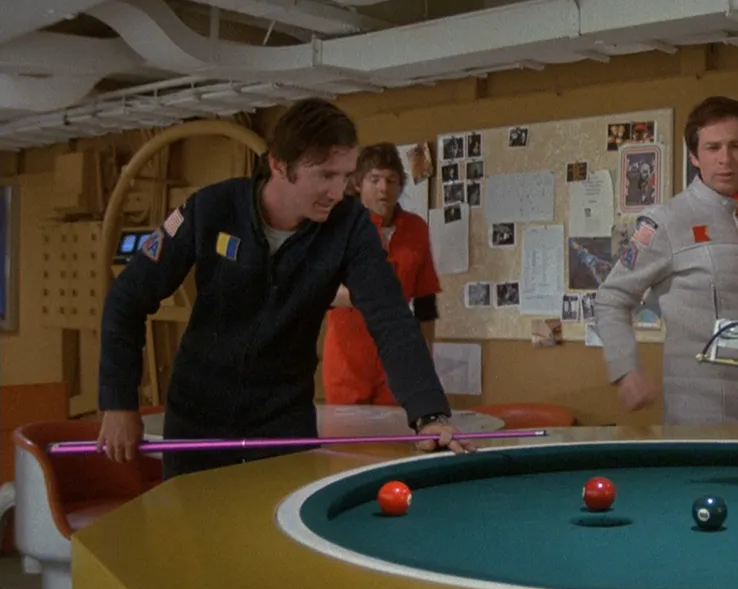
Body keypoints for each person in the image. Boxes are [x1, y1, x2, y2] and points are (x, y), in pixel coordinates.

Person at [96, 98, 474, 479]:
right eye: (325, 175)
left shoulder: (350, 227)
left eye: (345, 176)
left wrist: (429, 414)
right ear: (279, 165)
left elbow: (390, 317)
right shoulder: (212, 209)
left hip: (283, 423)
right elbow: (128, 298)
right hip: (198, 420)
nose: (338, 191)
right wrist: (118, 403)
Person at [592, 96, 738, 425]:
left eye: (736, 146)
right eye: (712, 148)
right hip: (699, 410)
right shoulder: (665, 220)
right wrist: (626, 369)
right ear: (695, 156)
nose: (725, 159)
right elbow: (611, 298)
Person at [323, 143, 441, 405]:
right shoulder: (338, 226)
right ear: (358, 184)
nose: (383, 188)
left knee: (397, 427)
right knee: (347, 430)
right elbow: (320, 289)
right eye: (374, 179)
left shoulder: (416, 228)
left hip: (397, 352)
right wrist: (364, 295)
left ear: (400, 185)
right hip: (347, 355)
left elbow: (425, 299)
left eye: (391, 180)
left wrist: (426, 356)